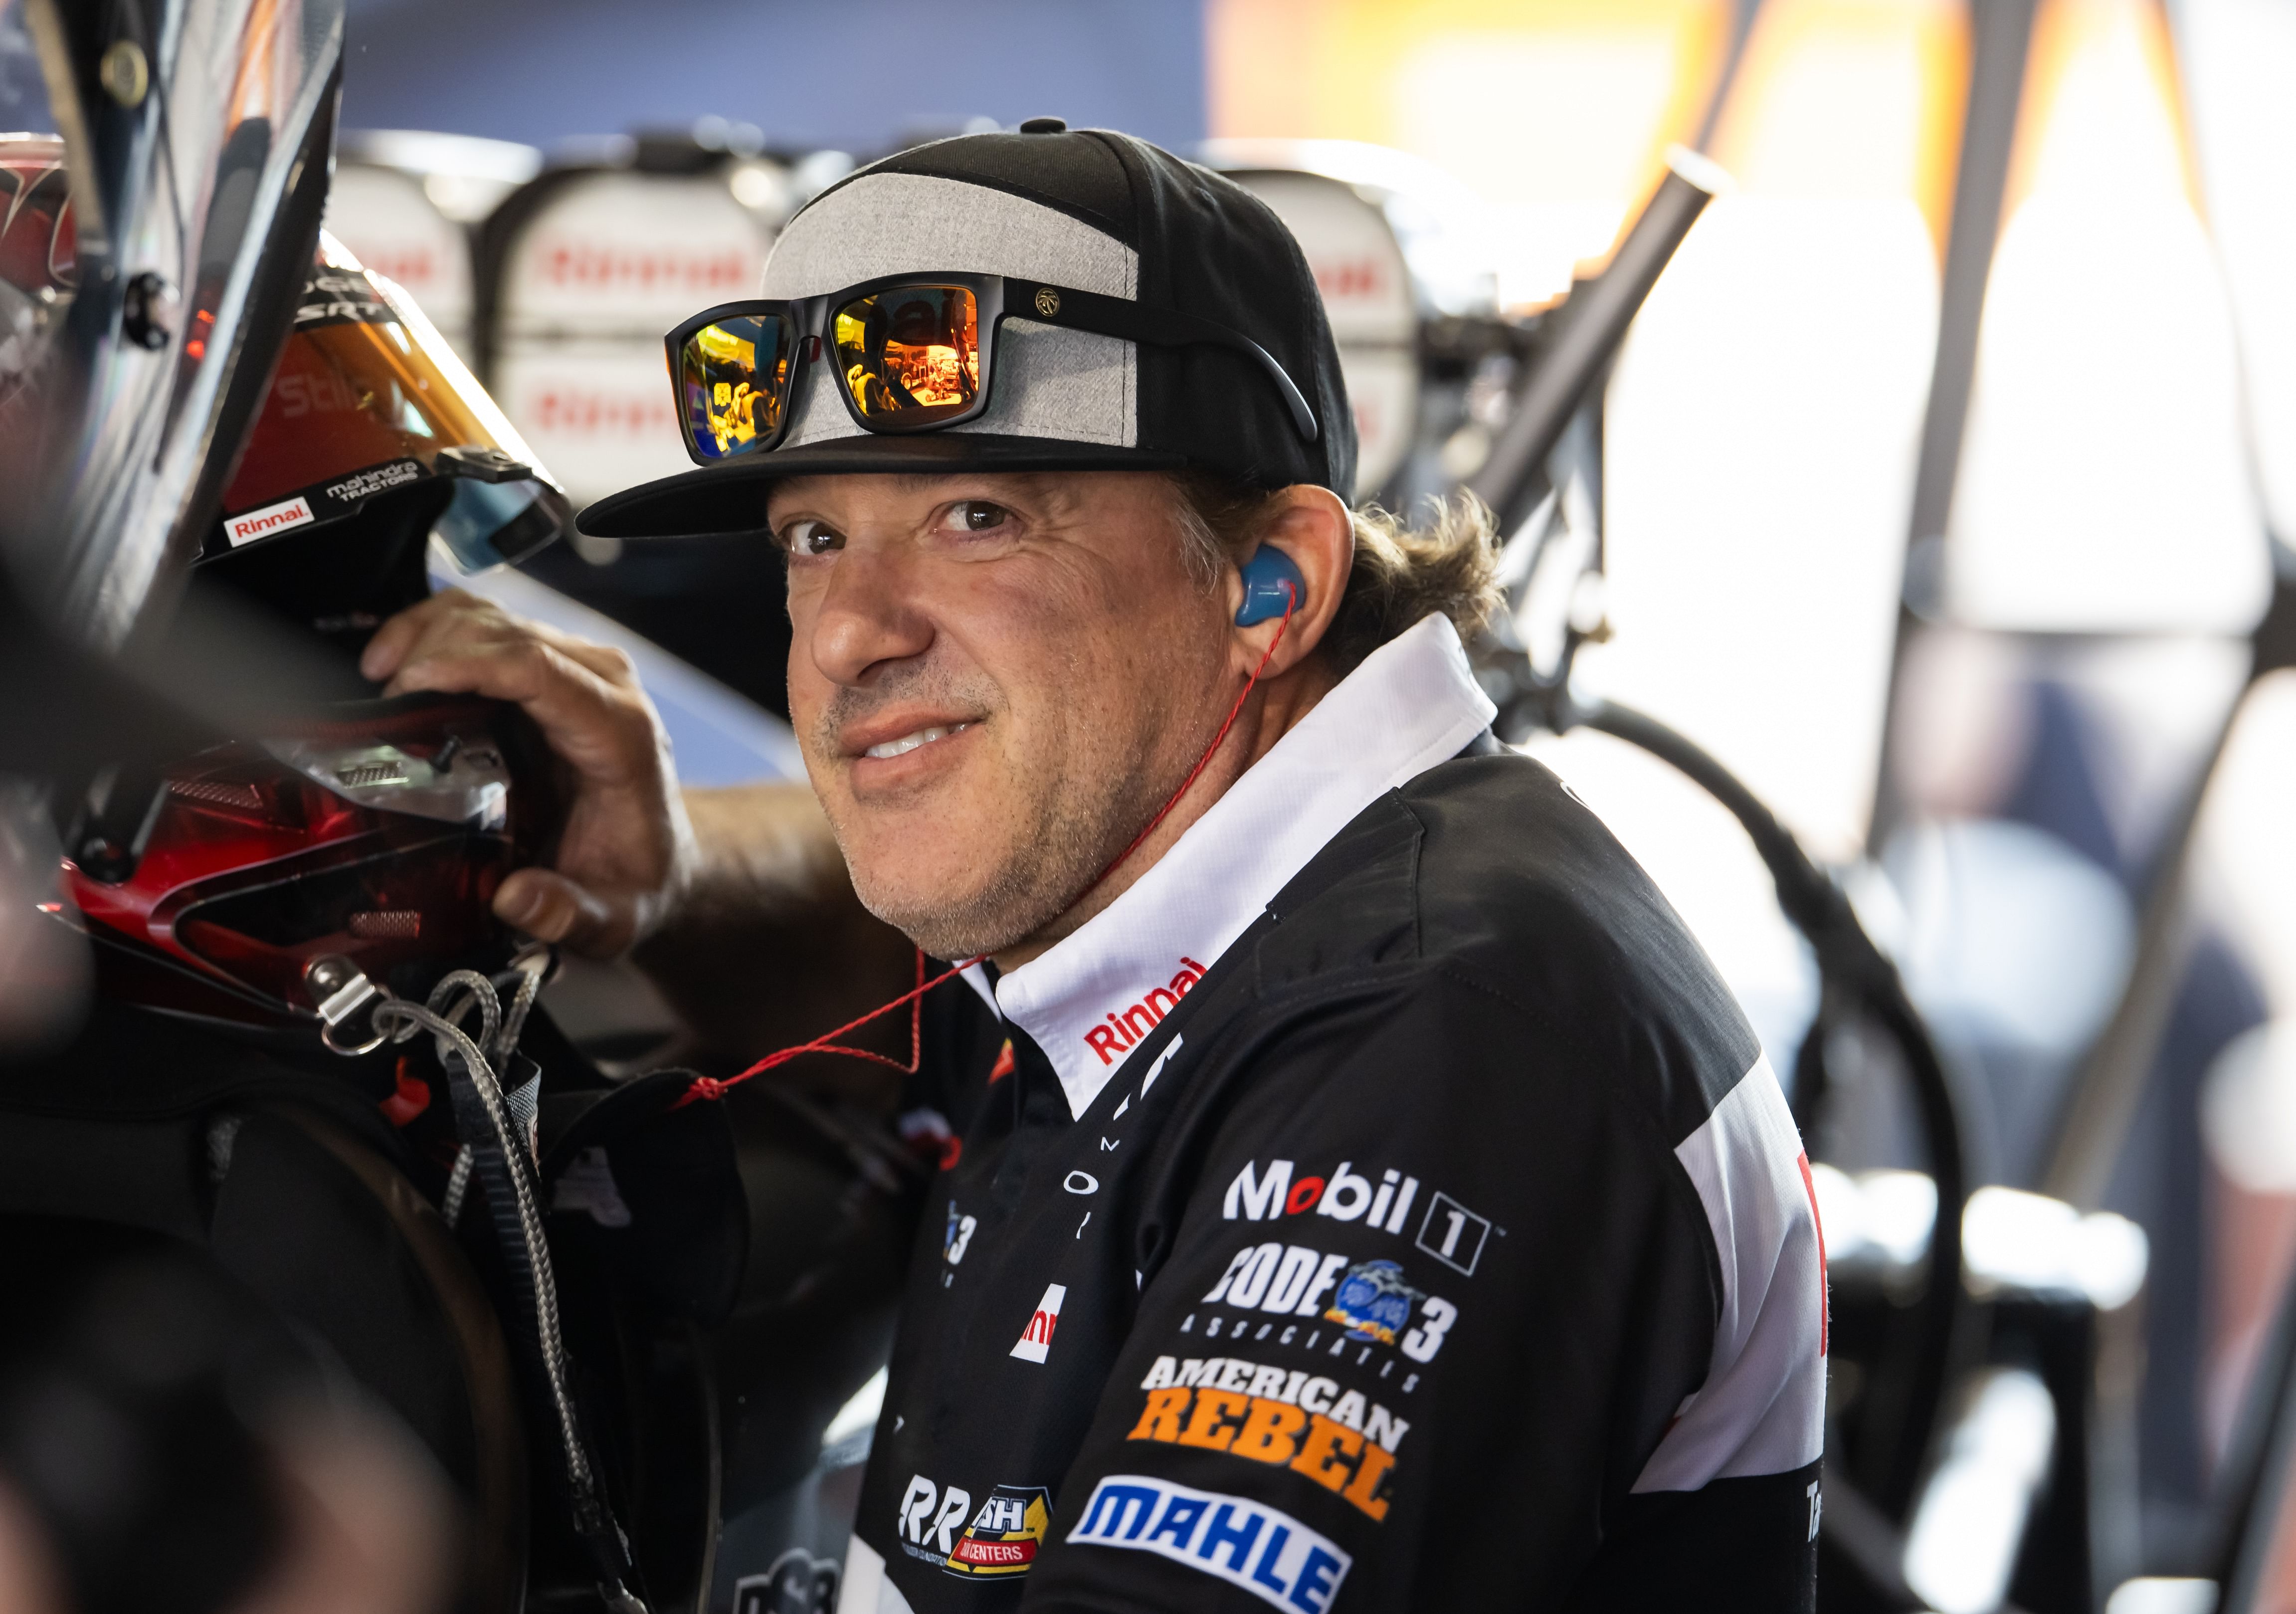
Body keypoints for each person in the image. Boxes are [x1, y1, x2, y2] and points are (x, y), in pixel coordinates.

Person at [363, 122, 1826, 1611]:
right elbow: (887, 959)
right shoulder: (1172, 899)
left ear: (1272, 584)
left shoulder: (1435, 1032)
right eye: (812, 534)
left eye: (976, 516)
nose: (848, 631)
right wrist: (668, 871)